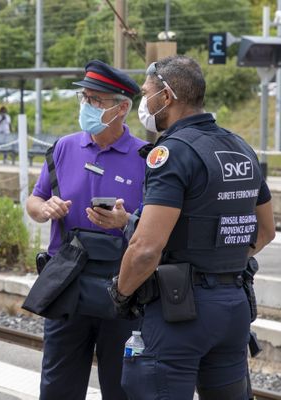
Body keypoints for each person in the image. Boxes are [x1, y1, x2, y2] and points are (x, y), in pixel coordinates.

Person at [109, 56, 276, 400]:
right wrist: (220, 260)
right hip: (233, 308)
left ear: (166, 97)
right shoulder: (240, 148)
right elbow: (265, 232)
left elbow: (145, 249)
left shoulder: (173, 153)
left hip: (180, 310)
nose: (145, 102)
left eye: (146, 93)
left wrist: (122, 293)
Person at [26, 59, 147, 400]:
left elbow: (155, 224)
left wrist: (125, 222)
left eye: (96, 100)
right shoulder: (64, 147)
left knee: (123, 386)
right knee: (58, 385)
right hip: (67, 283)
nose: (87, 106)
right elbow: (35, 201)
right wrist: (45, 209)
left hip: (123, 285)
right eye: (84, 98)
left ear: (122, 107)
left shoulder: (145, 157)